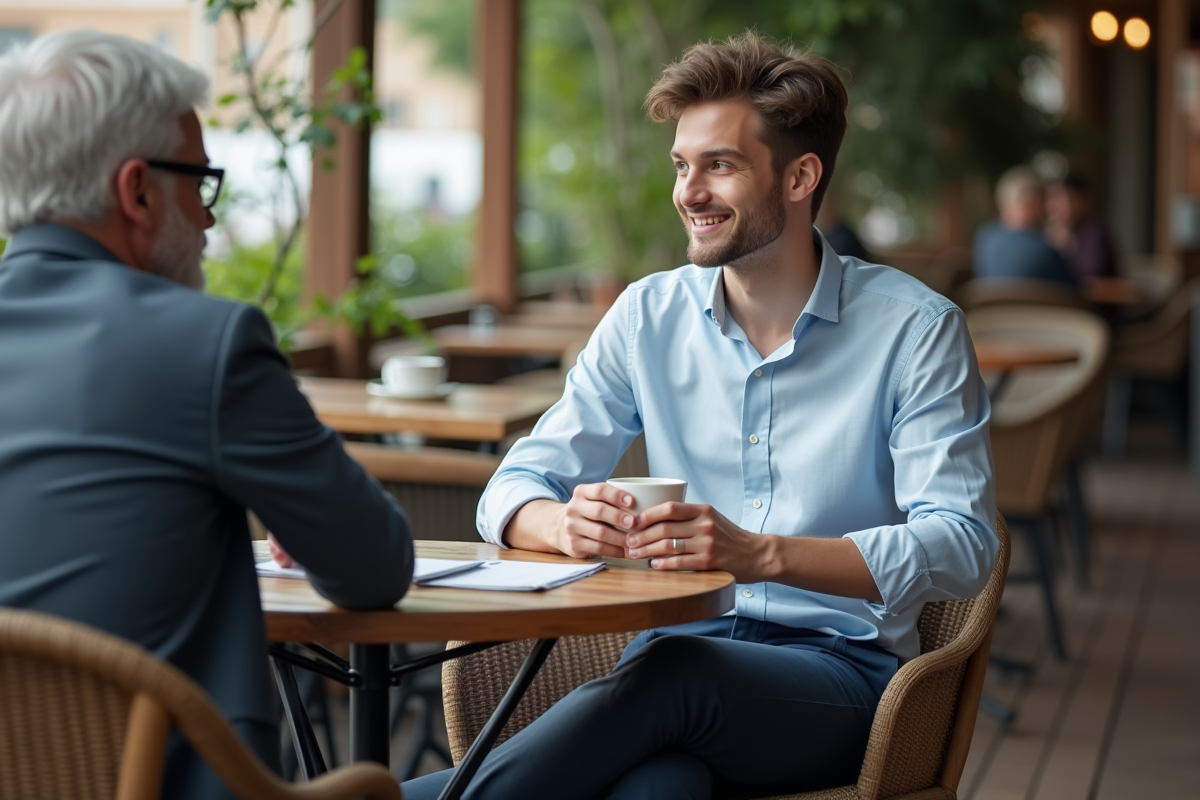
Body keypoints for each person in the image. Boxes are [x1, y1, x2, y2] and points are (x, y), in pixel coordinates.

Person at [402, 32, 997, 800]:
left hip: (840, 679)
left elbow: (962, 544)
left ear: (800, 176)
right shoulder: (648, 314)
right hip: (669, 668)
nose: (689, 190)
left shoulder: (916, 330)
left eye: (721, 164)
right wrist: (560, 526)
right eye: (683, 165)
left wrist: (761, 556)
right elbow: (514, 486)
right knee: (662, 788)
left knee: (673, 675)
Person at [0, 30, 414, 800]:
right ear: (139, 191)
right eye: (200, 182)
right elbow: (374, 569)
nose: (209, 218)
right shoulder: (205, 343)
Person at [973, 166, 1077, 285]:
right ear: (1032, 203)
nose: (1048, 209)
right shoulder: (1044, 250)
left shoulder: (984, 238)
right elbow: (1074, 290)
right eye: (1043, 201)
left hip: (992, 304)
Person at [1046, 172, 1118, 281]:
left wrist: (1066, 244)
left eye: (1068, 197)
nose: (1059, 205)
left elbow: (1092, 272)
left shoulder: (1094, 231)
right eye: (1055, 198)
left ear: (1083, 200)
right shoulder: (1048, 232)